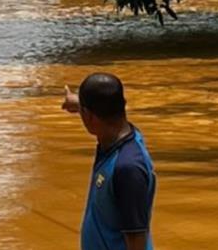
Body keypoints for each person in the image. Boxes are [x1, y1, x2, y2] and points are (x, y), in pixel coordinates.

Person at [62, 74, 156, 250]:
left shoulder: (127, 168)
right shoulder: (118, 135)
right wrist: (76, 103)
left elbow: (137, 242)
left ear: (89, 117)